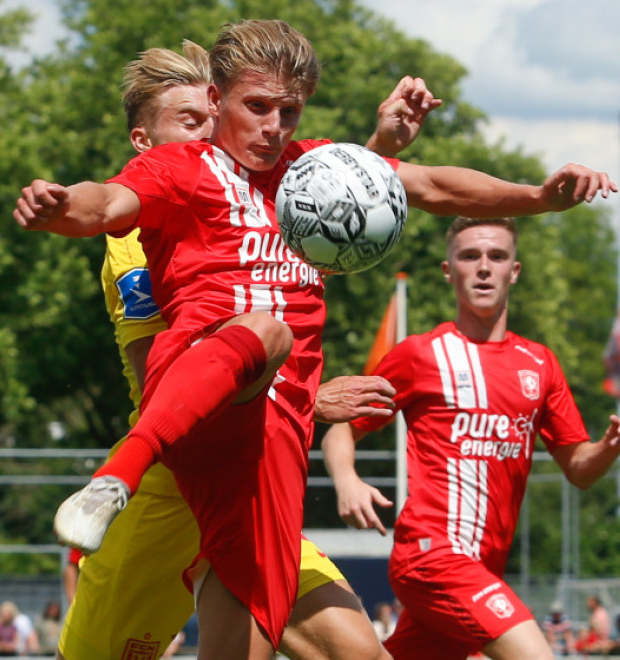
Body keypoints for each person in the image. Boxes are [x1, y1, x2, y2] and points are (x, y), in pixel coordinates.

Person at [18, 20, 615, 658]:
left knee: (335, 648)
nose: (274, 126)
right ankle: (118, 474)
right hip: (191, 440)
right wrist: (60, 209)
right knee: (265, 331)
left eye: (289, 110)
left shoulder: (303, 174)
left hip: (273, 443)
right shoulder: (172, 180)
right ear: (212, 107)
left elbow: (420, 186)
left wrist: (539, 197)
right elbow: (106, 205)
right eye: (254, 108)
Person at [53, 38, 440, 660]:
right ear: (144, 145)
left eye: (214, 117)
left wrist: (380, 149)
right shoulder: (136, 239)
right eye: (191, 123)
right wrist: (313, 399)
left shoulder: (245, 190)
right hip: (173, 487)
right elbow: (168, 374)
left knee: (360, 653)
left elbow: (317, 230)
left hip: (258, 471)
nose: (214, 134)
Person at [322, 215, 620, 660]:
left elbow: (579, 469)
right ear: (449, 270)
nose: (484, 267)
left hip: (484, 567)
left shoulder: (541, 364)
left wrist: (609, 446)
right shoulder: (421, 354)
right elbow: (341, 424)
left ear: (515, 270)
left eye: (497, 256)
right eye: (470, 256)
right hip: (434, 556)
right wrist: (346, 480)